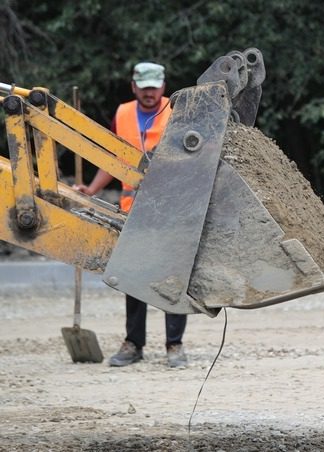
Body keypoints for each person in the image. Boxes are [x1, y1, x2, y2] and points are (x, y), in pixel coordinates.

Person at [75, 61, 188, 368]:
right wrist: (93, 190)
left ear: (163, 87)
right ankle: (133, 344)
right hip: (133, 213)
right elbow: (113, 158)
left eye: (154, 88)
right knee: (133, 277)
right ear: (134, 86)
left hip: (171, 211)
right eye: (144, 88)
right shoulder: (123, 113)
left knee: (172, 279)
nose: (150, 93)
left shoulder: (178, 112)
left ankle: (174, 346)